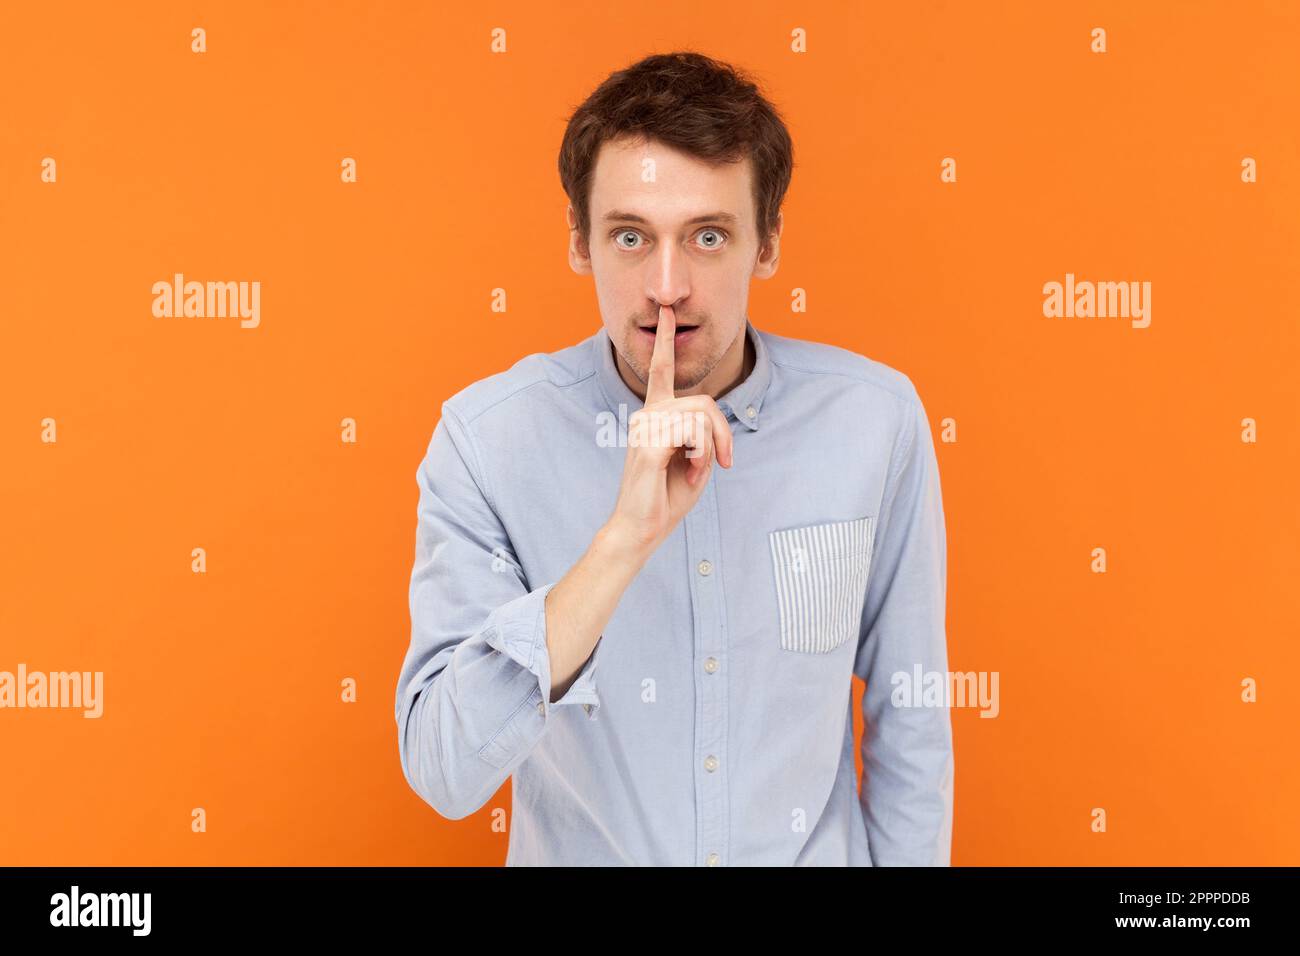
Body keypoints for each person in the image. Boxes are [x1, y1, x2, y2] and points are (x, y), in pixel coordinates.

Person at [394, 50, 953, 865]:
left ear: (766, 246)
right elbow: (444, 770)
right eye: (630, 236)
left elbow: (912, 725)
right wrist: (623, 540)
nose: (667, 285)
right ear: (580, 243)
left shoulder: (875, 422)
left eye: (708, 236)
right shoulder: (487, 442)